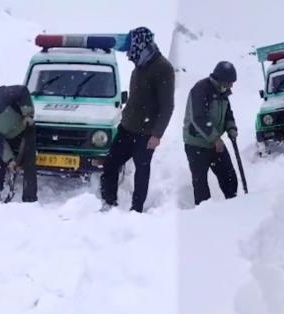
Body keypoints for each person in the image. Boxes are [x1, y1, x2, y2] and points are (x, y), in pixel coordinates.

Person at [100, 26, 175, 213]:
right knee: (110, 163)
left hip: (146, 134)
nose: (128, 56)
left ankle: (136, 210)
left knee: (142, 172)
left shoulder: (163, 68)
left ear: (140, 46)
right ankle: (109, 203)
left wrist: (157, 134)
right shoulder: (139, 67)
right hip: (127, 129)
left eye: (130, 51)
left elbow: (167, 106)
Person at [183, 61, 239, 206]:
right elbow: (199, 117)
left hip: (215, 143)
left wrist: (231, 128)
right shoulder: (201, 89)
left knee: (229, 177)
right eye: (229, 82)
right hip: (196, 144)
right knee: (200, 183)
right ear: (220, 79)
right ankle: (205, 216)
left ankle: (234, 206)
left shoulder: (223, 92)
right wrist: (215, 138)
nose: (231, 86)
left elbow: (228, 113)